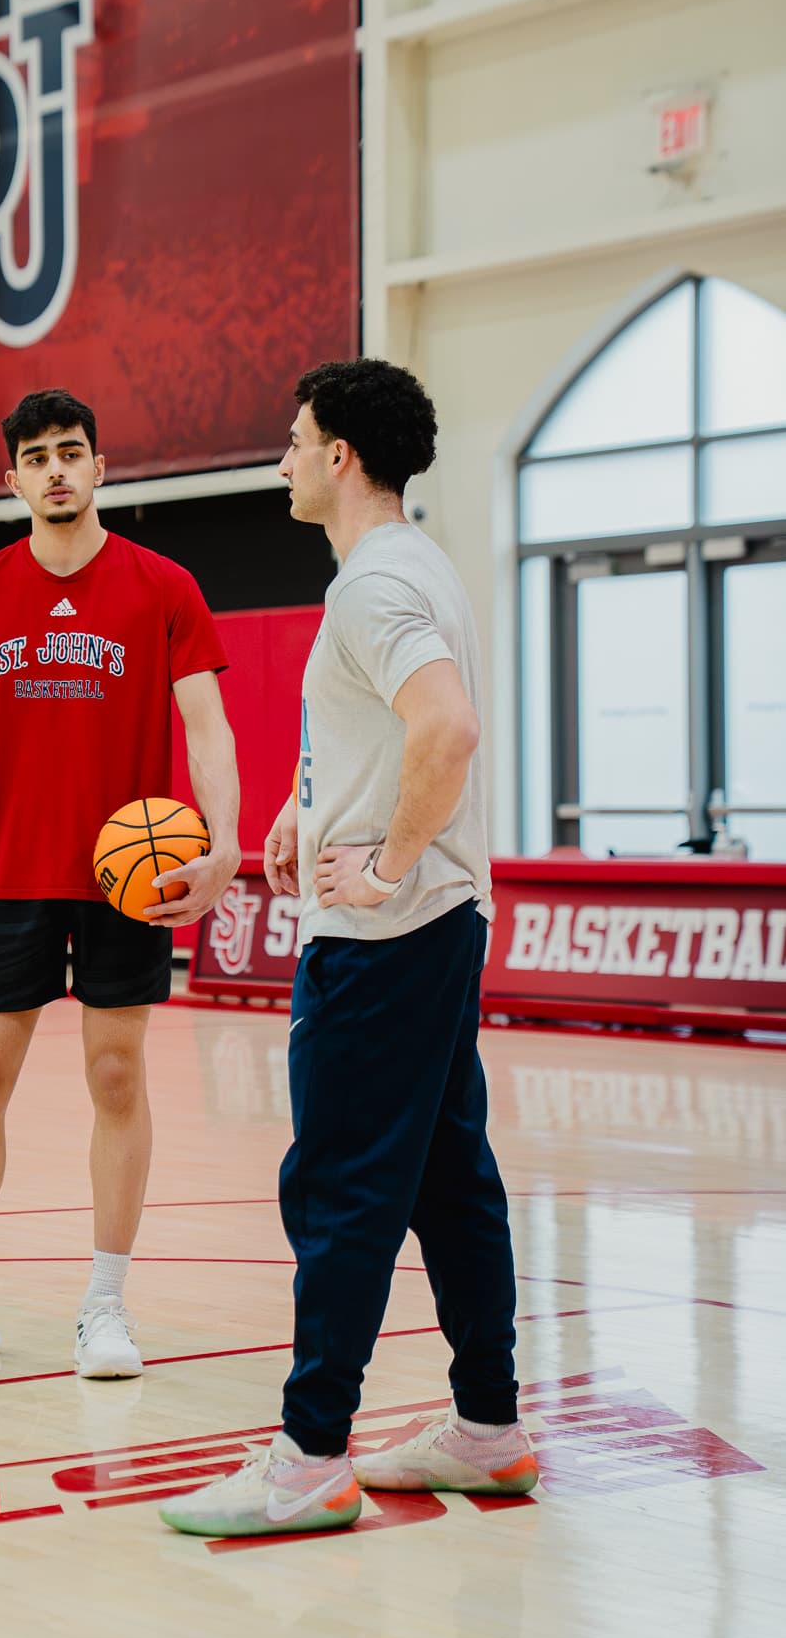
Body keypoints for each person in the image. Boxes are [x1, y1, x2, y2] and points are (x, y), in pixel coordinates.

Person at [162, 357, 537, 1536]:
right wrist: (306, 816)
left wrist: (378, 867)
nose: (279, 459)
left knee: (339, 1189)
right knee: (447, 1180)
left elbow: (448, 729)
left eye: (292, 440)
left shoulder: (371, 586)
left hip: (384, 940)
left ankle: (312, 1451)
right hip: (435, 928)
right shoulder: (416, 568)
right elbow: (392, 734)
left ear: (340, 458)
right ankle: (486, 1426)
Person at [0, 388, 241, 1380]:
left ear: (100, 468)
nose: (56, 469)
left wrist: (222, 844)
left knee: (117, 1077)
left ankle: (105, 1304)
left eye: (72, 452)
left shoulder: (163, 585)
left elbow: (206, 723)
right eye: (37, 456)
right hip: (4, 876)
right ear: (12, 478)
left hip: (125, 876)